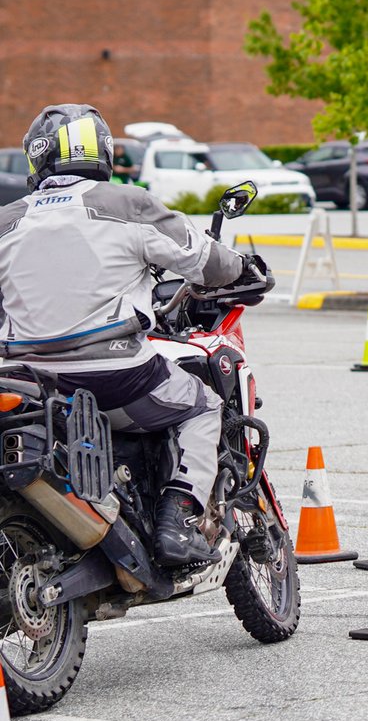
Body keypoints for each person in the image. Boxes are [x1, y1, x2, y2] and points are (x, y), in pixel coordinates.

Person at [0, 104, 252, 566]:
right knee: (202, 406)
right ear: (104, 154)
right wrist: (244, 268)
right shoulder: (127, 204)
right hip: (114, 376)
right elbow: (206, 261)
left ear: (39, 158)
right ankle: (177, 522)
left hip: (27, 379)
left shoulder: (6, 219)